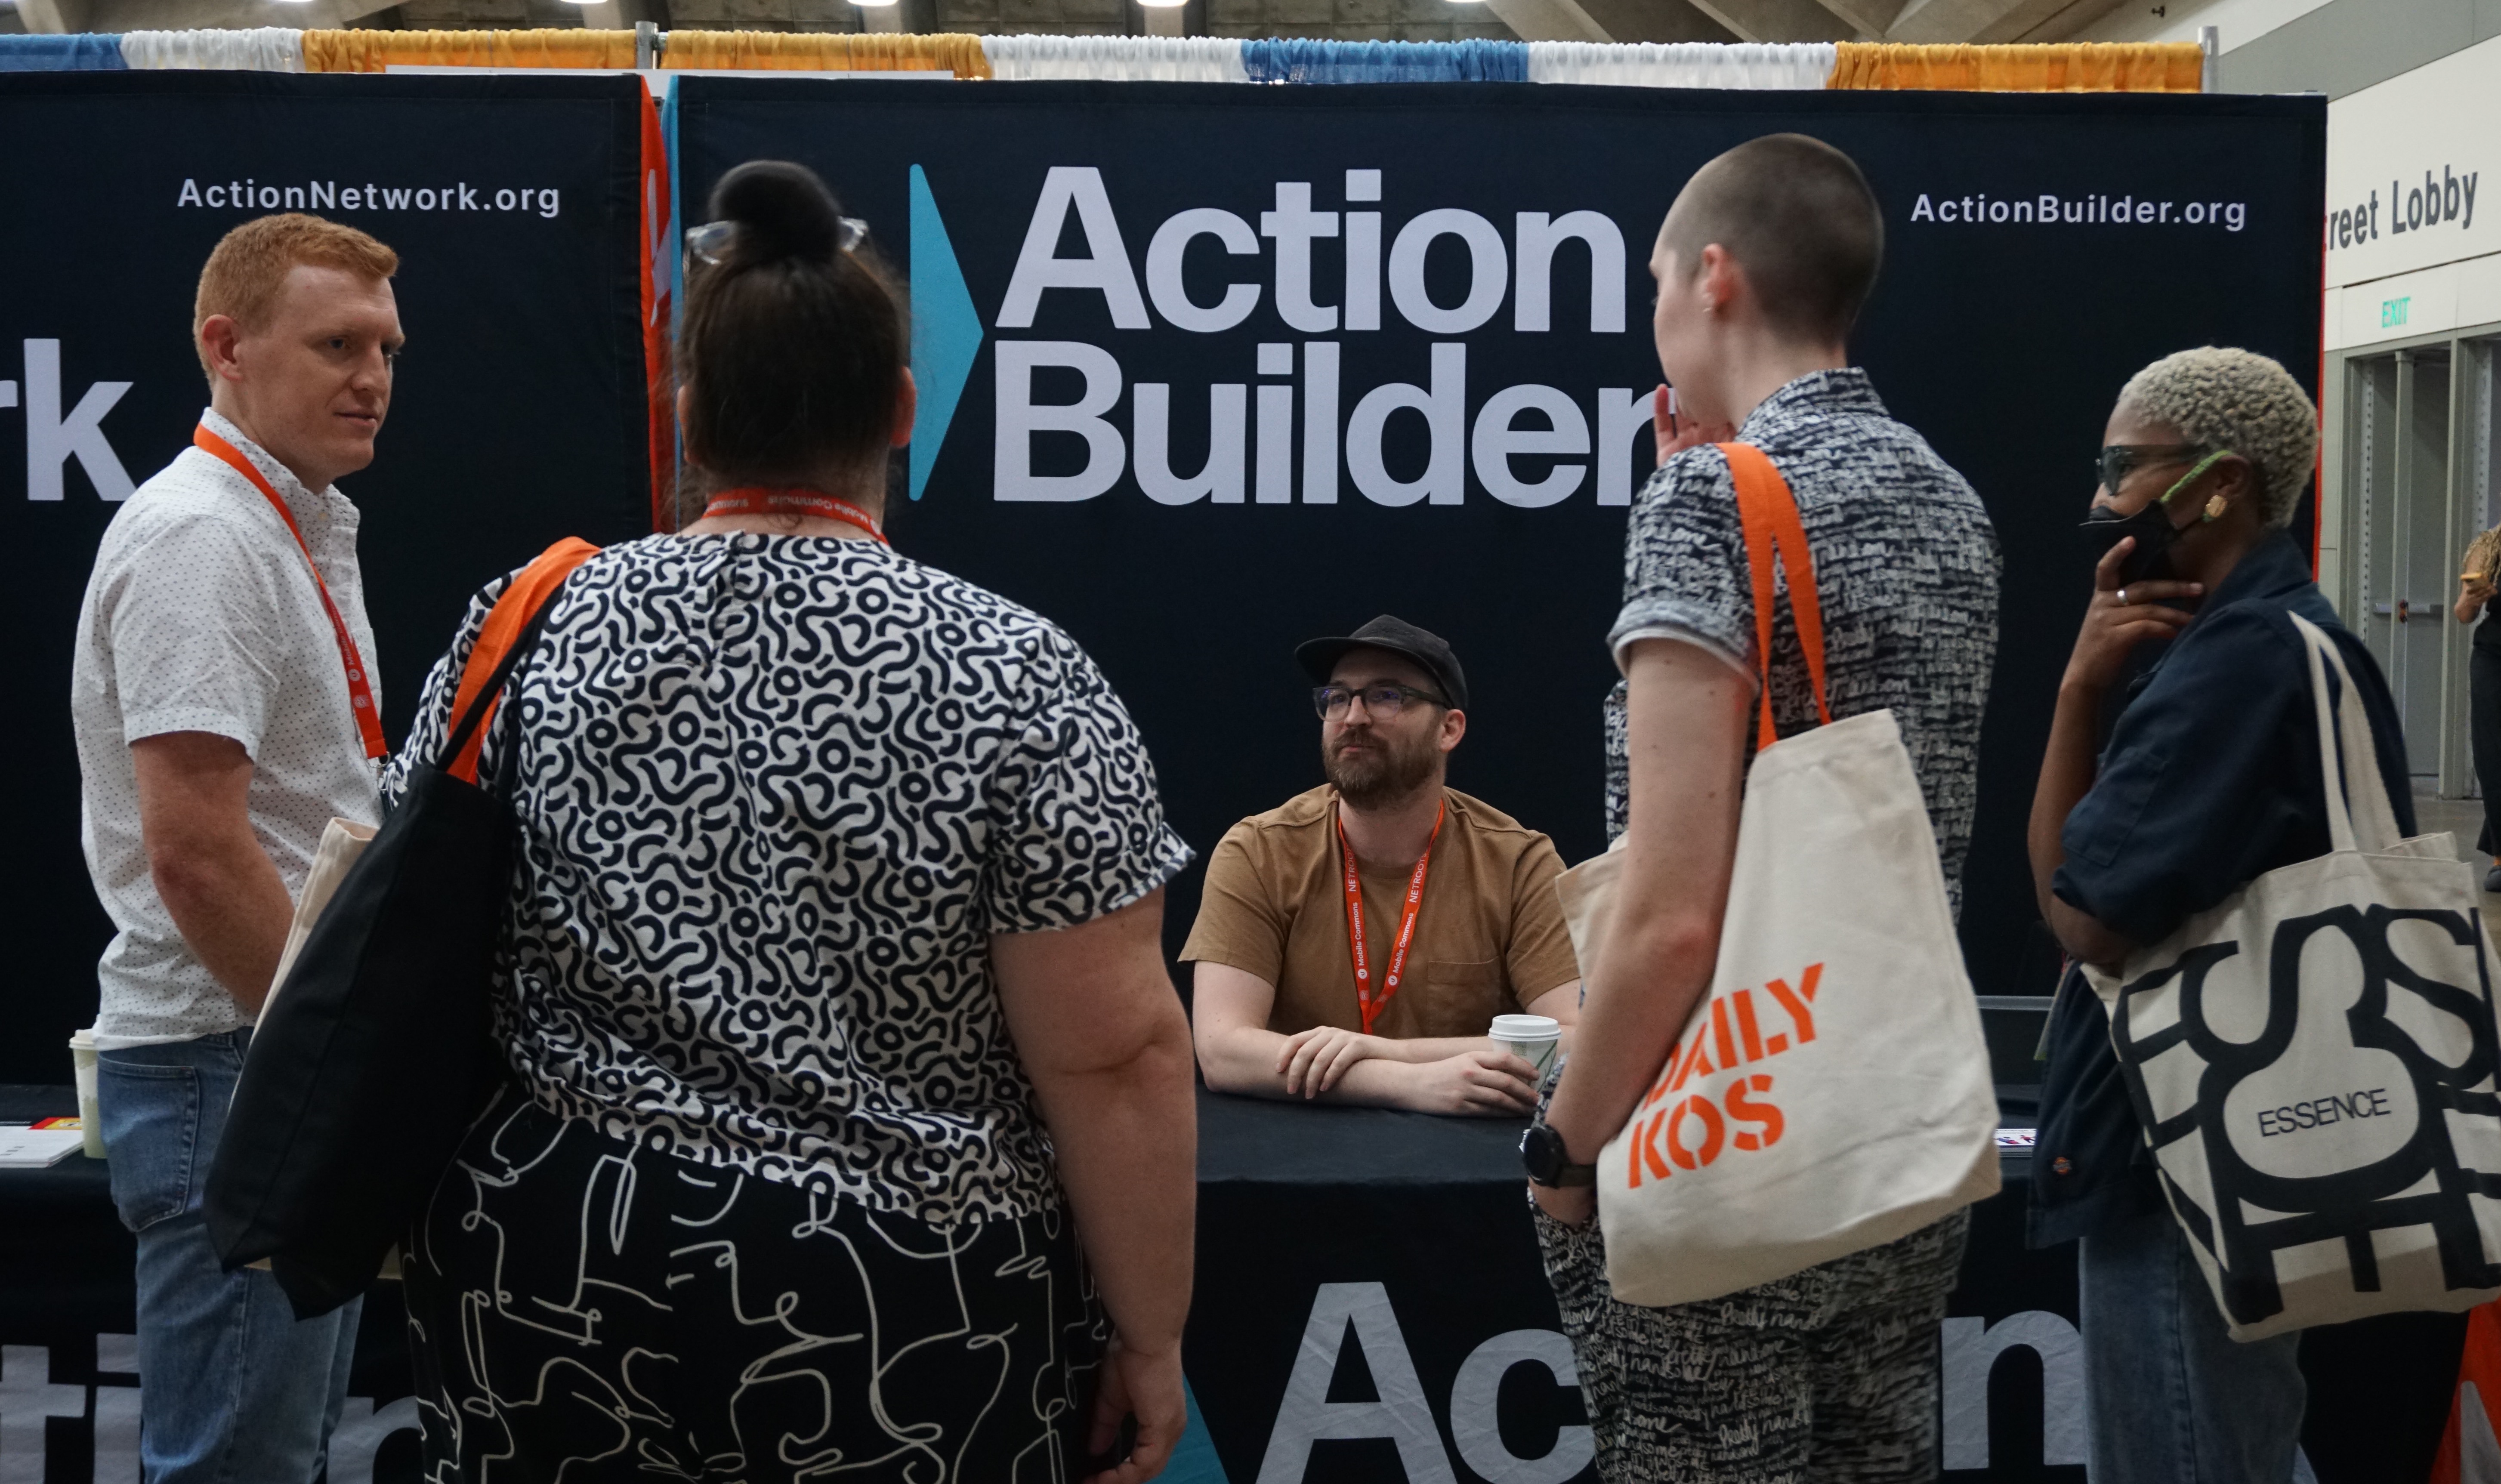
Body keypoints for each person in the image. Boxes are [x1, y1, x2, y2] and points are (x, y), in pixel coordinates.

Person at [392, 160, 1198, 1484]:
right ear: (900, 409)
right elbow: (1115, 1058)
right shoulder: (1020, 676)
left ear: (693, 421)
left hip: (548, 1274)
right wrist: (1150, 1334)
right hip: (896, 1306)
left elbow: (409, 914)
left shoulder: (525, 628)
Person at [1523, 134, 2001, 1481]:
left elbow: (1672, 913)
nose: (1655, 315)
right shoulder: (1948, 499)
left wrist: (1564, 1146)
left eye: (1655, 284)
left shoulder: (1700, 500)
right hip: (1891, 1131)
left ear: (1714, 277)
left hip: (1716, 1128)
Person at [2028, 347, 2464, 1483]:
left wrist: (2076, 693)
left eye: (2121, 467)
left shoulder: (2239, 661)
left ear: (2218, 483)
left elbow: (2080, 918)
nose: (2099, 499)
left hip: (2186, 1159)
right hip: (2261, 1147)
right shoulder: (2299, 641)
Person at [71, 213, 402, 1483]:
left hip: (245, 1057)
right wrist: (328, 1064)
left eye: (385, 347)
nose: (372, 376)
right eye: (336, 344)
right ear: (227, 347)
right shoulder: (205, 537)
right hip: (234, 1065)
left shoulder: (279, 522)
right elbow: (198, 854)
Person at [1184, 615, 1581, 1117]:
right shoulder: (1259, 850)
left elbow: (1579, 1040)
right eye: (1337, 697)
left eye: (1386, 695)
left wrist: (1388, 1050)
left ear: (1449, 729)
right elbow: (1221, 1051)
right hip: (1295, 1148)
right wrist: (1403, 1081)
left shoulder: (1519, 862)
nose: (1353, 716)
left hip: (1467, 1154)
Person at [2456, 525, 2501, 891]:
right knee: (2494, 756)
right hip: (2494, 659)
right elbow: (2463, 613)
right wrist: (2473, 598)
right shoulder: (2490, 547)